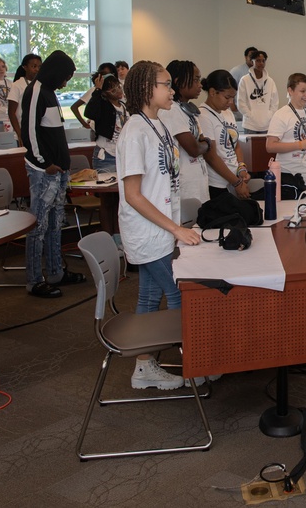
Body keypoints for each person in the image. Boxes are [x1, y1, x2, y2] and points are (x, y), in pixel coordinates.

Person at [118, 60, 202, 390]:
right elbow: (134, 195)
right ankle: (198, 363)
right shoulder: (134, 132)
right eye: (165, 84)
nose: (172, 90)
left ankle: (143, 367)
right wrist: (175, 228)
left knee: (150, 298)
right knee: (181, 294)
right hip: (148, 232)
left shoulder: (160, 125)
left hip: (164, 229)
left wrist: (176, 227)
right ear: (145, 89)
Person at [21, 50, 86, 298]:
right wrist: (45, 162)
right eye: (65, 77)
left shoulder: (49, 93)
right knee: (38, 226)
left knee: (55, 224)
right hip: (43, 172)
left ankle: (56, 271)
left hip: (57, 171)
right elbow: (30, 132)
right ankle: (35, 280)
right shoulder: (36, 91)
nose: (65, 83)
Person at [161, 60, 211, 218]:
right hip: (185, 186)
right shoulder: (172, 111)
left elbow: (202, 141)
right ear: (178, 82)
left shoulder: (189, 110)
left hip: (199, 183)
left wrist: (203, 144)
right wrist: (203, 145)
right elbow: (194, 149)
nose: (200, 85)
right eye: (195, 80)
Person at [198, 69, 251, 200]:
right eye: (227, 97)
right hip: (217, 184)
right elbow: (211, 157)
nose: (231, 102)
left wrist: (241, 168)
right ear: (212, 92)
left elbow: (236, 145)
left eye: (233, 97)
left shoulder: (227, 112)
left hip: (234, 178)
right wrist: (236, 182)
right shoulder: (203, 116)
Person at [266, 73, 306, 188]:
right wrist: (300, 145)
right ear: (290, 91)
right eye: (302, 91)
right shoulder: (281, 114)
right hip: (289, 177)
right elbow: (270, 146)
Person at [82, 73, 126, 173]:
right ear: (105, 93)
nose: (118, 90)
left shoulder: (124, 106)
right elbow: (90, 112)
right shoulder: (103, 106)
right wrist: (97, 90)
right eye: (112, 89)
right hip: (106, 156)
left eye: (118, 86)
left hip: (122, 155)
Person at [236, 50, 277, 133]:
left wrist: (269, 116)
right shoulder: (244, 80)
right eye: (258, 60)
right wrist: (251, 116)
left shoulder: (270, 81)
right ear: (252, 62)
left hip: (267, 125)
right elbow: (241, 103)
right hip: (250, 125)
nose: (261, 63)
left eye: (263, 61)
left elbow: (275, 103)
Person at [71, 62, 118, 129]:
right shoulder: (94, 90)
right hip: (100, 129)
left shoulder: (118, 89)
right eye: (104, 74)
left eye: (110, 74)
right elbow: (74, 107)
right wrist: (84, 124)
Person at [8, 53, 41, 144]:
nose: (37, 69)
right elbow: (11, 112)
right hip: (24, 132)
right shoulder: (17, 85)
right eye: (34, 66)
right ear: (25, 67)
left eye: (39, 67)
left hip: (39, 132)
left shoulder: (41, 85)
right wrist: (20, 134)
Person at [229, 46, 257, 121]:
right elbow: (229, 89)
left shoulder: (258, 73)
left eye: (255, 56)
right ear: (245, 57)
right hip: (237, 114)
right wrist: (232, 106)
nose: (252, 59)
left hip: (253, 114)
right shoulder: (236, 71)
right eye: (251, 56)